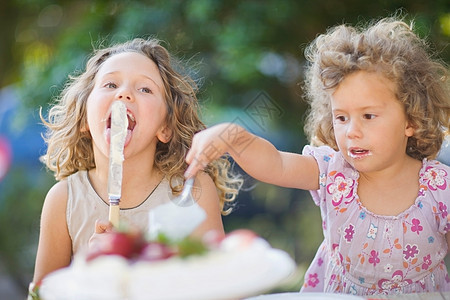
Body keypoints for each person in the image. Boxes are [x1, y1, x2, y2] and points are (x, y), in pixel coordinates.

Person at [185, 17, 450, 295]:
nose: (352, 131)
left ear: (411, 121)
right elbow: (276, 164)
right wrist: (234, 136)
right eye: (341, 117)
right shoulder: (333, 172)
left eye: (369, 116)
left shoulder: (440, 188)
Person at [32, 38, 242, 285]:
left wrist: (143, 263)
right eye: (110, 84)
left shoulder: (192, 192)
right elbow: (41, 293)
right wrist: (87, 273)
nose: (124, 93)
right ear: (84, 119)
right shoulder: (65, 200)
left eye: (145, 89)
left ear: (165, 127)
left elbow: (219, 288)